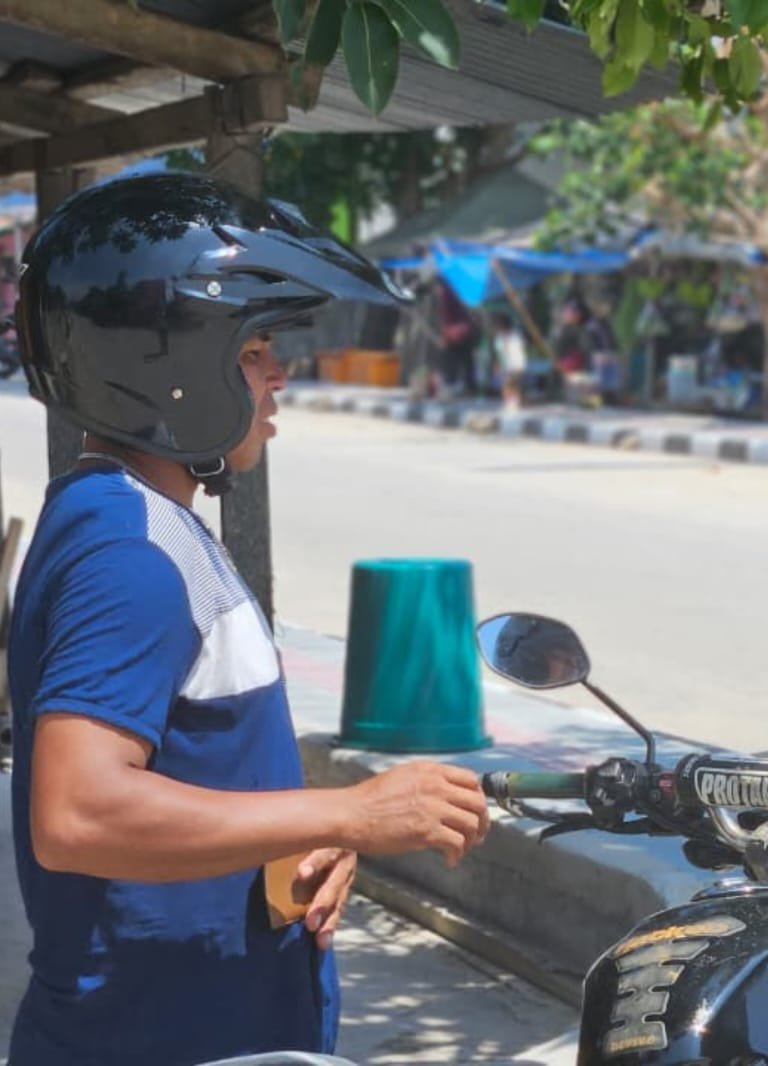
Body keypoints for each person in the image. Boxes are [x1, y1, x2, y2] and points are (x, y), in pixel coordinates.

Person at [7, 173, 492, 1065]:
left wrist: (317, 830)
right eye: (254, 348)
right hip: (157, 1041)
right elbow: (77, 813)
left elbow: (194, 763)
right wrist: (355, 808)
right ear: (172, 368)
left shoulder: (136, 517)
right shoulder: (130, 555)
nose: (280, 374)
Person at [489, 310, 530, 411]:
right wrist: (497, 364)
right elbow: (497, 352)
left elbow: (520, 352)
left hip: (516, 364)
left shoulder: (515, 336)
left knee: (512, 383)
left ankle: (515, 400)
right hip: (505, 364)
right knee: (505, 384)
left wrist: (517, 366)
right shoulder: (499, 337)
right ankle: (509, 401)